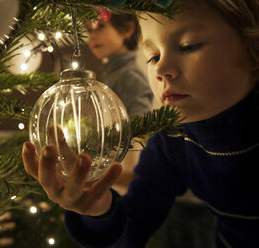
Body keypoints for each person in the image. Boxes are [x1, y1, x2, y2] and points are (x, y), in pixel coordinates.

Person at [22, 0, 259, 247]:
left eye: (189, 46)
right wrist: (98, 210)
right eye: (153, 57)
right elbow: (132, 228)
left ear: (253, 47)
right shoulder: (173, 140)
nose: (161, 69)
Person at [85, 10, 154, 194]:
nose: (93, 36)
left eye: (100, 26)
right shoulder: (113, 73)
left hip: (128, 173)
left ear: (127, 29)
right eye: (89, 30)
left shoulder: (128, 75)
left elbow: (141, 124)